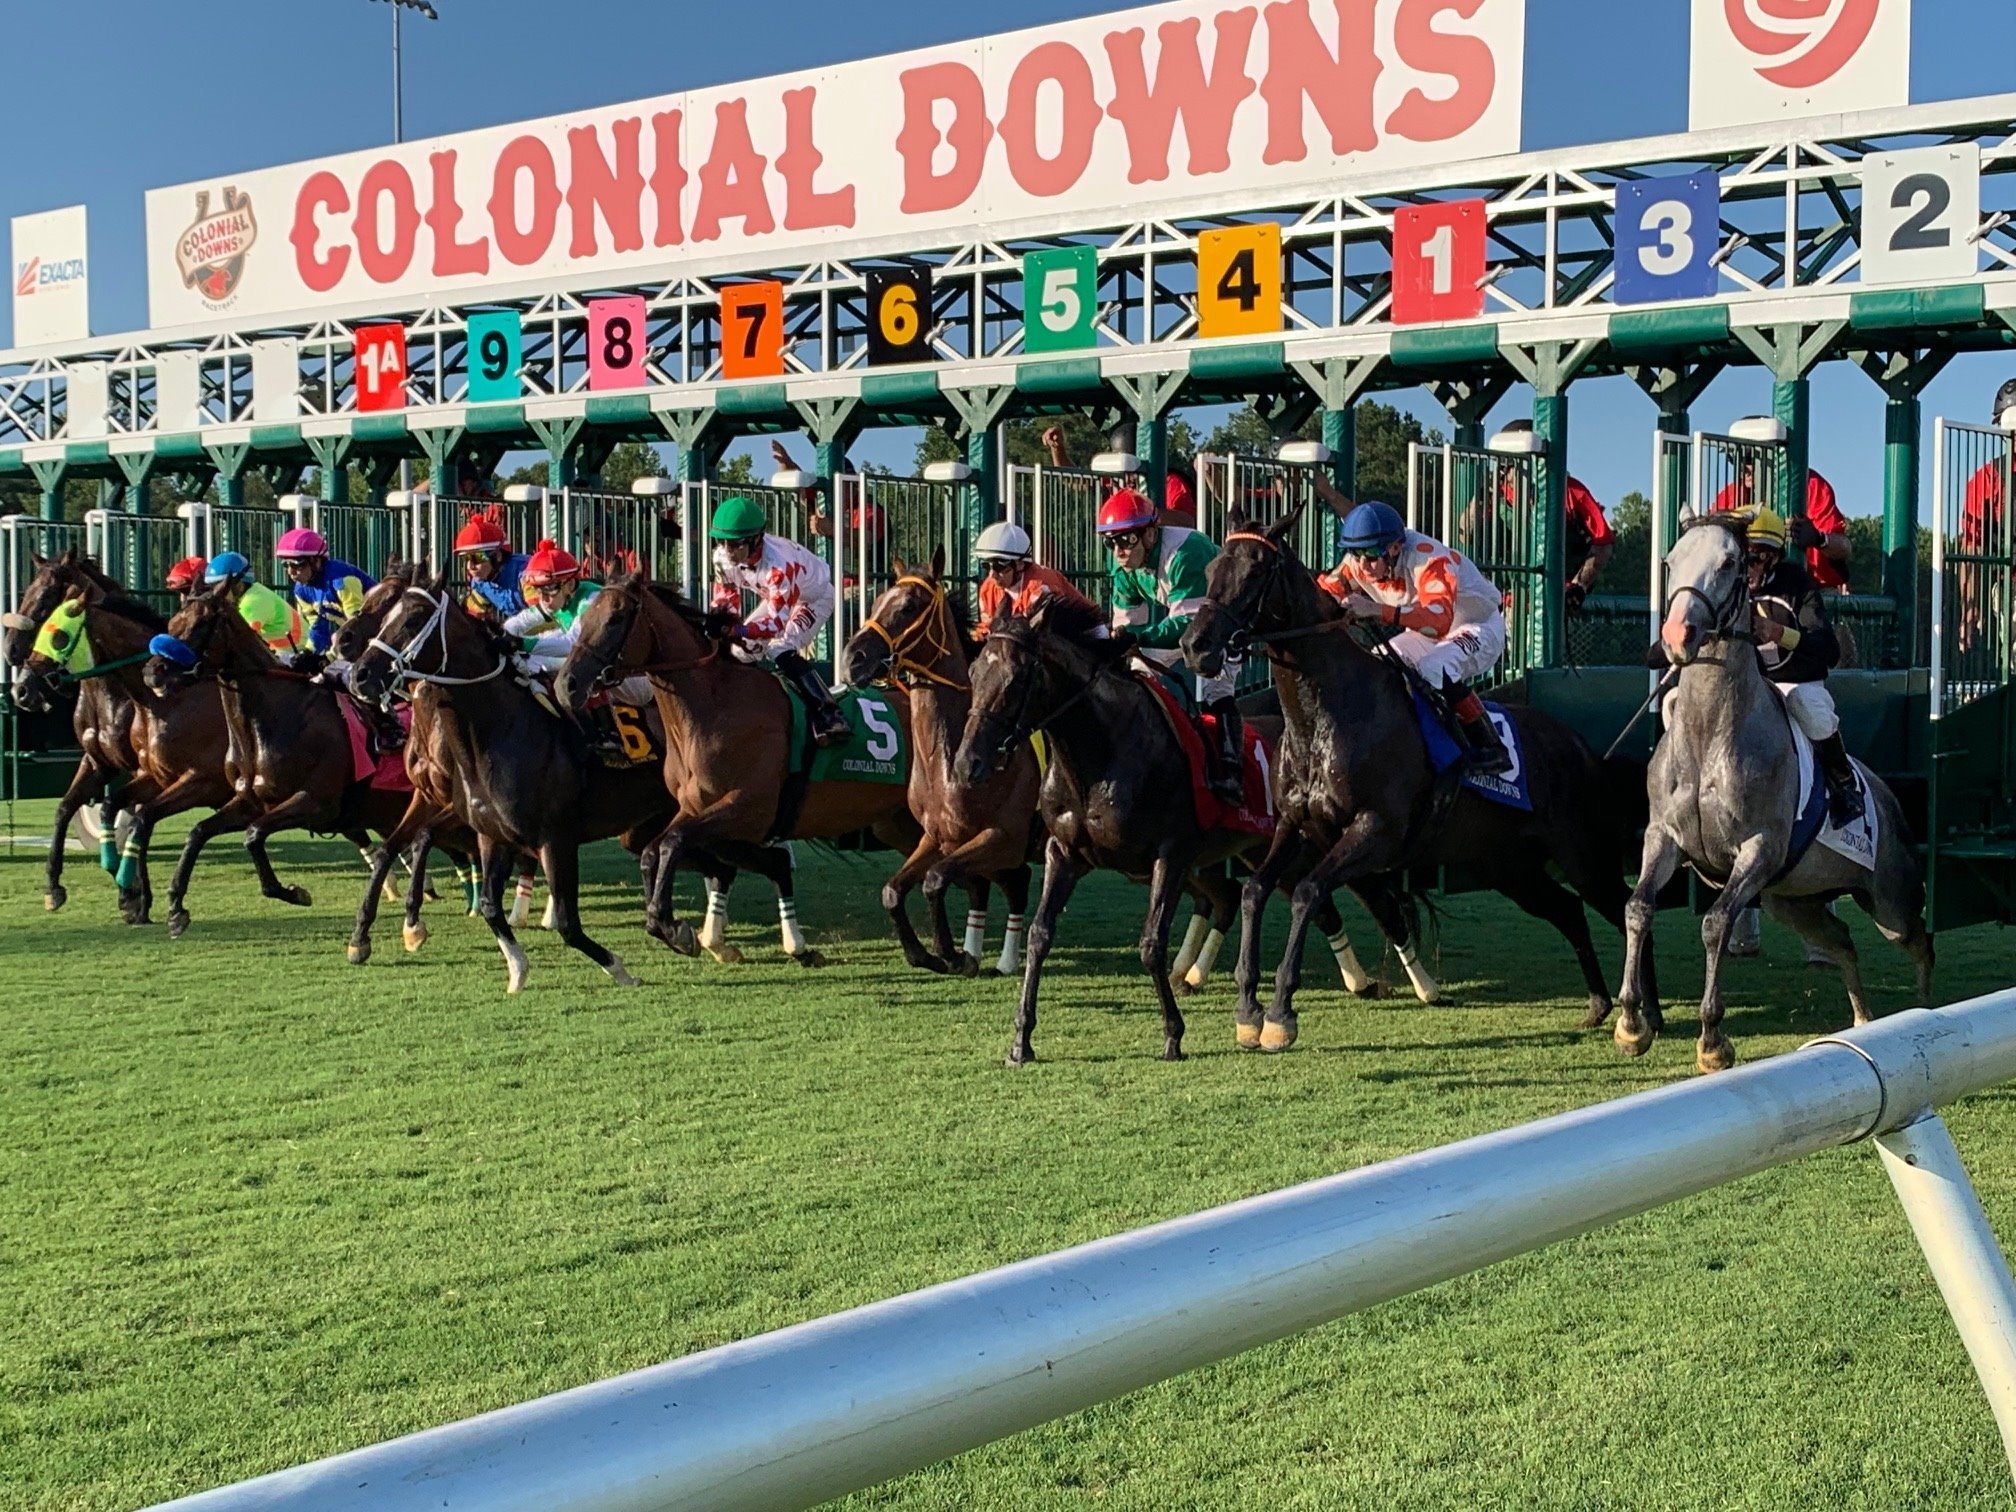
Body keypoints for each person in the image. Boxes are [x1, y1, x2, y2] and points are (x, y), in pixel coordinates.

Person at [1316, 500, 1512, 776]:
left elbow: (1438, 622)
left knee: (1434, 667)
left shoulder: (1429, 560)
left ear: (1395, 548)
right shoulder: (1358, 564)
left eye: (1370, 555)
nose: (1362, 565)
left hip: (1478, 625)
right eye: (1354, 553)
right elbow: (1323, 595)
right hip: (1426, 632)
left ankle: (1493, 748)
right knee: (1377, 663)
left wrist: (1375, 609)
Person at [1097, 487, 1244, 802]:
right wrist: (1124, 642)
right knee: (1134, 670)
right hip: (1192, 620)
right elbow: (1127, 626)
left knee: (1215, 684)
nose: (1118, 550)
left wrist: (1139, 637)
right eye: (1110, 541)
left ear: (1150, 534)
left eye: (1127, 539)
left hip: (1221, 620)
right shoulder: (1123, 567)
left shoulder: (1185, 552)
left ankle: (1232, 772)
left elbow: (1189, 626)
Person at [1739, 506, 1863, 827]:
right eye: (1740, 558)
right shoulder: (1730, 587)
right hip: (1751, 685)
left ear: (1772, 557)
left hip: (1796, 683)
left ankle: (1844, 785)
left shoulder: (1797, 583)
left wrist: (1780, 634)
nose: (1746, 568)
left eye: (1753, 558)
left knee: (1808, 706)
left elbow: (1828, 650)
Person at [708, 495, 851, 747]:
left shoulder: (778, 566)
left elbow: (775, 625)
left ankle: (830, 715)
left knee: (780, 647)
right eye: (722, 542)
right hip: (778, 597)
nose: (728, 551)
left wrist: (740, 629)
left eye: (735, 544)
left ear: (755, 540)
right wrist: (723, 626)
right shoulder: (721, 557)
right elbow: (726, 601)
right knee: (740, 651)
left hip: (813, 599)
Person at [1711, 424, 1852, 592]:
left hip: (1808, 590)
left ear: (1773, 456)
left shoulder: (1809, 485)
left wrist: (1818, 538)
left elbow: (1845, 548)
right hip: (1745, 591)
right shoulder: (1730, 495)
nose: (1743, 467)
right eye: (1736, 459)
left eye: (1749, 459)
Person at [1489, 420, 1615, 608]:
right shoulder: (1493, 493)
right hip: (1506, 602)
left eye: (1512, 463)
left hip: (1556, 601)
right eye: (1504, 464)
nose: (1507, 471)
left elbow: (1603, 543)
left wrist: (1579, 585)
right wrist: (1479, 500)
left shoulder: (1570, 490)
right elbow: (1465, 535)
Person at [972, 520, 1092, 639]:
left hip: (1086, 628)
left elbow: (1045, 636)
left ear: (1020, 564)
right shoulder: (988, 589)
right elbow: (989, 630)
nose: (992, 575)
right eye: (986, 566)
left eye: (999, 566)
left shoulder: (1041, 587)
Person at [275, 528, 376, 660]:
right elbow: (317, 625)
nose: (290, 572)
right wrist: (309, 653)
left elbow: (356, 628)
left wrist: (329, 658)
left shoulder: (343, 581)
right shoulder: (301, 590)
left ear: (316, 561)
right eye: (286, 565)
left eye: (297, 565)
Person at [203, 552, 303, 656]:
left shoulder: (252, 602)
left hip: (296, 653)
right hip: (283, 651)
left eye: (222, 587)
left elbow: (242, 641)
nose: (217, 593)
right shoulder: (252, 593)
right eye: (212, 587)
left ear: (239, 585)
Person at [454, 510, 529, 618]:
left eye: (477, 558)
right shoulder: (479, 582)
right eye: (466, 558)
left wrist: (510, 626)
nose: (470, 566)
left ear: (498, 556)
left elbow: (544, 615)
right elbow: (472, 617)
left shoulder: (527, 572)